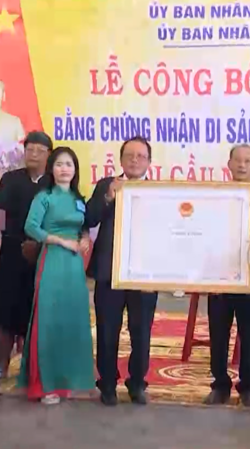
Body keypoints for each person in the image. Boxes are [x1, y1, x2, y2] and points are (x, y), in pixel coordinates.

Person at [15, 147, 94, 404]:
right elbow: (31, 227)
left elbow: (83, 226)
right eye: (59, 164)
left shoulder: (78, 198)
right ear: (52, 169)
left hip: (74, 265)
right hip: (52, 260)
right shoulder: (44, 197)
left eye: (69, 164)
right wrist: (60, 241)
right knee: (48, 320)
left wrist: (84, 238)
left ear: (75, 169)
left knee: (71, 319)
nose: (64, 169)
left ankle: (66, 380)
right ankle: (45, 384)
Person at [203, 144, 250, 408]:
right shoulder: (216, 194)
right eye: (238, 160)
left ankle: (248, 387)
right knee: (218, 333)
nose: (242, 165)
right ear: (229, 164)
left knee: (249, 334)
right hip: (219, 275)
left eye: (248, 161)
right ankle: (220, 385)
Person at [85, 136, 158, 406]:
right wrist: (108, 197)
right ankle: (107, 384)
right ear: (121, 159)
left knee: (141, 331)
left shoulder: (159, 192)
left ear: (149, 162)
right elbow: (89, 218)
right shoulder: (107, 185)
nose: (135, 160)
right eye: (129, 155)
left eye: (140, 156)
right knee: (107, 329)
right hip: (110, 271)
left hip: (144, 273)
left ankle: (137, 383)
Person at [0, 131, 51, 382]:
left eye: (40, 151)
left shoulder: (54, 183)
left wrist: (38, 243)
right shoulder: (10, 179)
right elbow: (3, 214)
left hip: (43, 255)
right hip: (12, 253)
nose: (34, 154)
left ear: (48, 155)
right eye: (30, 149)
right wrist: (23, 241)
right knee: (3, 310)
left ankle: (31, 368)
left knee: (34, 311)